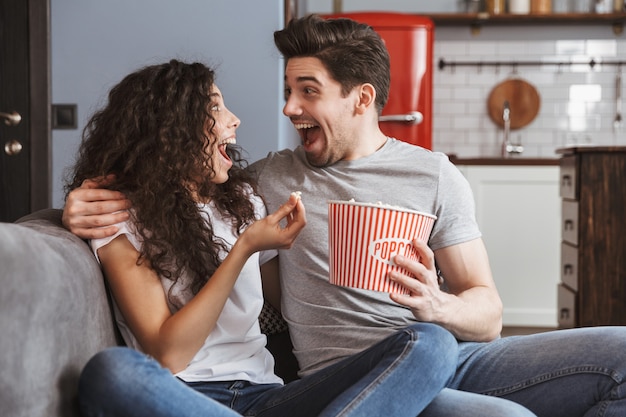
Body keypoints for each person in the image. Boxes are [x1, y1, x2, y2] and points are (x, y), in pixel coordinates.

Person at [63, 16, 626, 417]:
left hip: (440, 353)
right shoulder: (266, 184)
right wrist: (85, 198)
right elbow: (160, 181)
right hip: (345, 379)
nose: (287, 109)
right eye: (288, 89)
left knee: (611, 352)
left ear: (360, 99)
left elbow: (489, 312)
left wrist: (437, 305)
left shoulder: (434, 175)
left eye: (307, 91)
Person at [68, 59, 459, 417]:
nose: (234, 120)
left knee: (430, 344)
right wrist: (243, 250)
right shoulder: (118, 218)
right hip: (185, 395)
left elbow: (288, 298)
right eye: (216, 107)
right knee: (112, 372)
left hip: (268, 398)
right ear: (172, 128)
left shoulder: (242, 201)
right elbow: (170, 354)